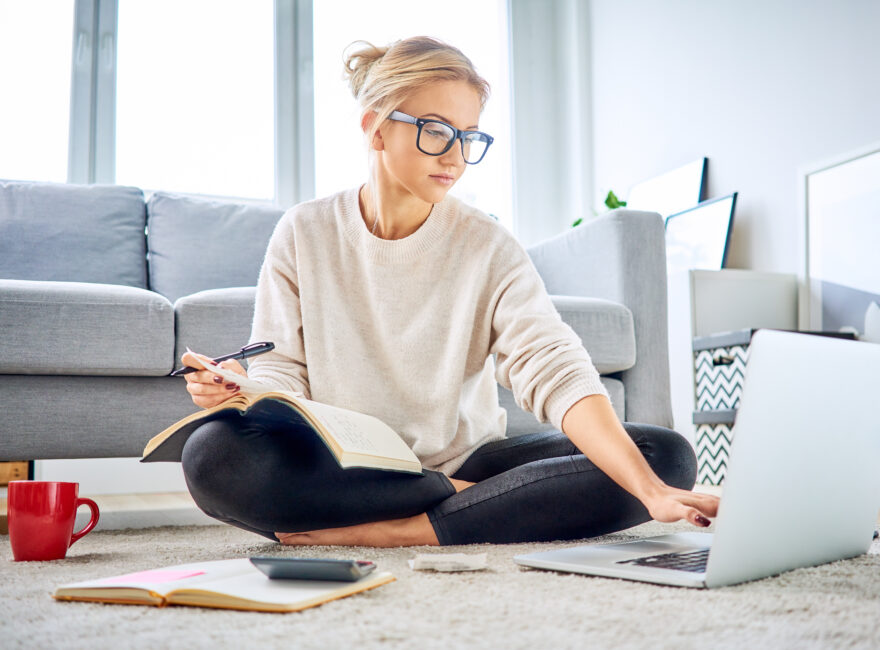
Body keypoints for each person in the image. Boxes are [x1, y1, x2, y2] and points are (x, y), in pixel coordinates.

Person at [178, 36, 719, 547]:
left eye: (469, 136)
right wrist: (248, 394)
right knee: (212, 456)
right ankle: (474, 510)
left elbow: (551, 363)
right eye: (436, 130)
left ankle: (402, 528)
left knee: (664, 458)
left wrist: (651, 491)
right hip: (344, 464)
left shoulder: (488, 244)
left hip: (467, 462)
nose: (456, 155)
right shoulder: (304, 231)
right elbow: (280, 368)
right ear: (376, 128)